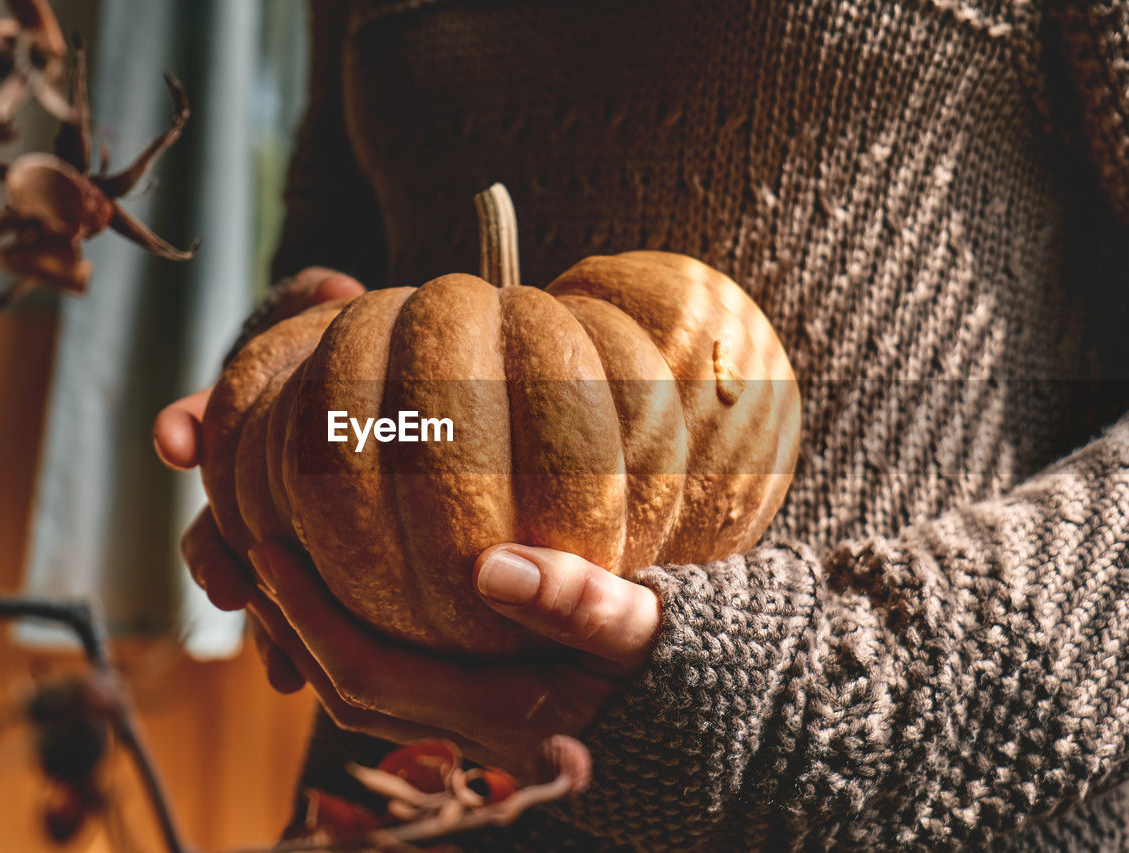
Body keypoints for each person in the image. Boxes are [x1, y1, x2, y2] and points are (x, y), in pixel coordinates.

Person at [154, 1, 1129, 849]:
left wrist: (836, 698)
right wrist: (292, 433)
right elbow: (350, 230)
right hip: (413, 802)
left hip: (907, 804)